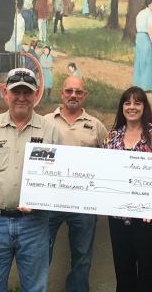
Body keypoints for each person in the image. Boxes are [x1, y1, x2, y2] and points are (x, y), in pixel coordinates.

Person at [0, 68, 63, 292]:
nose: (21, 98)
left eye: (27, 92)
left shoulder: (51, 131)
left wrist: (43, 200)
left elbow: (60, 178)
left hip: (35, 224)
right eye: (16, 92)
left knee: (35, 287)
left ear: (36, 95)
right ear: (5, 94)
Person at [45, 75, 107, 292]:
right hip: (49, 203)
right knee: (42, 253)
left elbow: (108, 162)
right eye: (69, 91)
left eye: (78, 92)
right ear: (62, 93)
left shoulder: (96, 126)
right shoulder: (45, 121)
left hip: (84, 205)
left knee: (82, 257)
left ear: (84, 95)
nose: (73, 95)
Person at [103, 86, 152, 292]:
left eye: (137, 102)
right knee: (123, 271)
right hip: (118, 217)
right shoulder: (111, 137)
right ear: (122, 107)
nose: (132, 107)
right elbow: (104, 172)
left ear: (144, 106)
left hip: (148, 218)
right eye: (127, 103)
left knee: (148, 272)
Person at [133, 0, 152, 91]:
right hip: (145, 37)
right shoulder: (150, 15)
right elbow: (150, 31)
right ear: (149, 4)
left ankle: (139, 84)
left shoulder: (140, 13)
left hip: (139, 37)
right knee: (148, 60)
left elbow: (137, 26)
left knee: (140, 60)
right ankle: (146, 85)